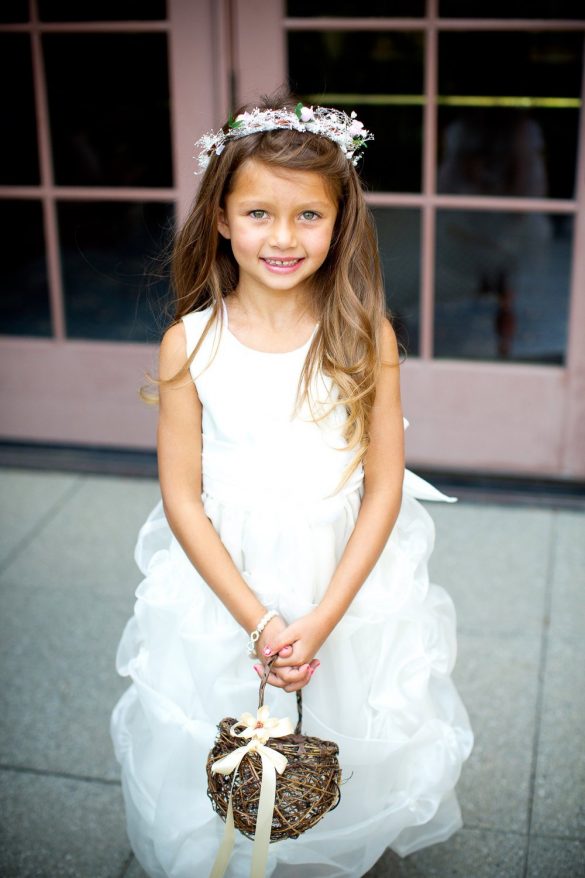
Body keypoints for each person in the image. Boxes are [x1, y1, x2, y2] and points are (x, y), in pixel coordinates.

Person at [110, 91, 474, 878]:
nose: (282, 237)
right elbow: (181, 495)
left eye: (308, 215)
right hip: (229, 577)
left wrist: (320, 617)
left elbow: (382, 486)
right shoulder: (190, 343)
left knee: (342, 706)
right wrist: (260, 621)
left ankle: (327, 832)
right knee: (223, 709)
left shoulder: (360, 334)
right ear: (219, 218)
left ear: (340, 223)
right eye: (258, 215)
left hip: (340, 572)